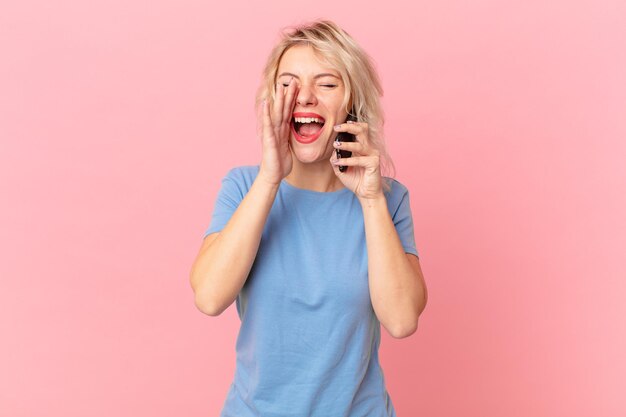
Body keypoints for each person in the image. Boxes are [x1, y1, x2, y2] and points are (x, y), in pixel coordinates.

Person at [190, 19, 428, 417]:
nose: (304, 97)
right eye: (288, 84)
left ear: (351, 102)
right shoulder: (243, 185)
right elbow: (210, 297)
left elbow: (402, 320)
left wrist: (370, 199)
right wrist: (270, 178)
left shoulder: (389, 199)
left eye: (327, 84)